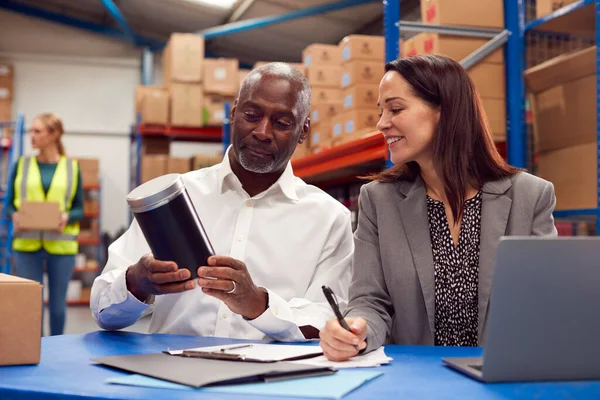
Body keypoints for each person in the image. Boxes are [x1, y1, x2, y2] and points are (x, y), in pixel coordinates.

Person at [90, 63, 353, 341]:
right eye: (252, 115)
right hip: (174, 374)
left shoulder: (329, 219)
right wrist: (137, 282)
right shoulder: (176, 199)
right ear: (234, 113)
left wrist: (259, 305)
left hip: (272, 379)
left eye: (282, 123)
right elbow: (102, 311)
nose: (263, 132)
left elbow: (328, 319)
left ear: (303, 131)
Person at [319, 55, 558, 361]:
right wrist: (357, 328)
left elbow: (544, 304)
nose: (381, 124)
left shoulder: (531, 196)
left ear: (444, 111)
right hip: (417, 382)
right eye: (381, 111)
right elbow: (370, 301)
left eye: (395, 108)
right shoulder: (379, 201)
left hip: (501, 380)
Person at [7, 113, 84, 336]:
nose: (31, 136)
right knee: (31, 306)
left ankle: (55, 350)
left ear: (54, 135)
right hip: (26, 246)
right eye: (31, 131)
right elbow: (9, 205)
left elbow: (80, 208)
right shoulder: (22, 164)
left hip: (61, 246)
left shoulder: (71, 167)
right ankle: (32, 351)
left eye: (37, 131)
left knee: (58, 307)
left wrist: (67, 216)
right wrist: (14, 215)